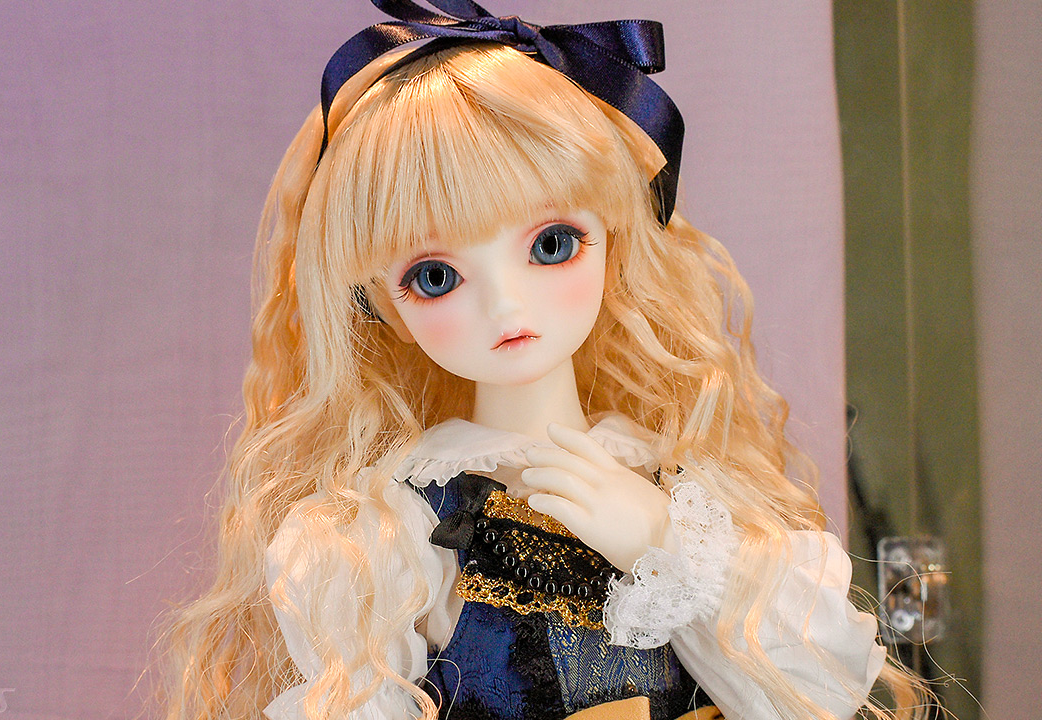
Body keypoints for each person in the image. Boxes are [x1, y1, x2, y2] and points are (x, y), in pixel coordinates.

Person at [161, 4, 927, 719]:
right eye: (437, 277)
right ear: (386, 307)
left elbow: (814, 693)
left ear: (612, 241)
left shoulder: (679, 494)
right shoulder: (389, 534)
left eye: (551, 245)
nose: (506, 307)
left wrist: (664, 542)